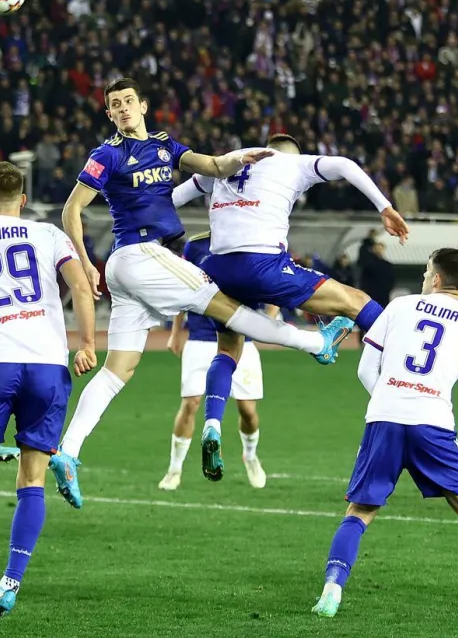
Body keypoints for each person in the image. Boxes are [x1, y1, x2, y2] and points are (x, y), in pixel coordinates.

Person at [48, 78, 353, 509]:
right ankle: (316, 343)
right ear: (109, 114)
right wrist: (82, 262)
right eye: (115, 104)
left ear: (143, 105)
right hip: (139, 254)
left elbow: (210, 164)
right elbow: (71, 209)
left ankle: (68, 451)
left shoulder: (164, 145)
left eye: (129, 101)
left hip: (135, 266)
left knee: (119, 370)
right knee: (229, 308)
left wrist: (239, 158)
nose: (123, 108)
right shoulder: (107, 154)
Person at [311, 248, 458, 618]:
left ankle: (331, 592)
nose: (423, 278)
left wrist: (392, 400)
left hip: (384, 420)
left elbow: (365, 370)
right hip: (433, 424)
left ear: (436, 279)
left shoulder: (399, 307)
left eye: (425, 272)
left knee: (359, 512)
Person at [169, 133, 409, 480]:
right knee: (357, 302)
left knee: (228, 350)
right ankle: (407, 366)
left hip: (218, 268)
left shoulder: (228, 160)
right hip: (263, 264)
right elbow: (345, 165)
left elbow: (175, 196)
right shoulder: (294, 163)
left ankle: (212, 426)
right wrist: (384, 207)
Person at [0, 161, 98, 617]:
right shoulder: (49, 235)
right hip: (47, 366)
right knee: (33, 480)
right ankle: (9, 584)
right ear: (24, 200)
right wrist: (87, 344)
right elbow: (81, 288)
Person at [160, 233, 274, 491]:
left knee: (248, 411)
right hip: (200, 339)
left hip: (240, 340)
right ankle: (174, 469)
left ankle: (250, 456)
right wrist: (176, 332)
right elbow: (184, 286)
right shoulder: (195, 246)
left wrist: (270, 319)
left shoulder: (250, 241)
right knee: (190, 403)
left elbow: (269, 285)